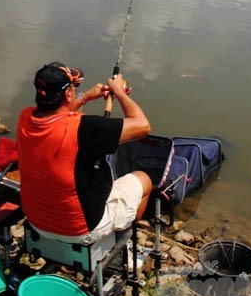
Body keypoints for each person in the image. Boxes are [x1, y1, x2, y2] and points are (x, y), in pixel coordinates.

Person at [16, 61, 152, 243]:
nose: (75, 89)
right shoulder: (82, 128)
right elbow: (142, 126)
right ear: (67, 93)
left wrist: (85, 97)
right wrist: (119, 92)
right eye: (74, 86)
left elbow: (57, 116)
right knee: (144, 180)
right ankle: (122, 242)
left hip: (36, 222)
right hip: (79, 230)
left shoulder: (25, 118)